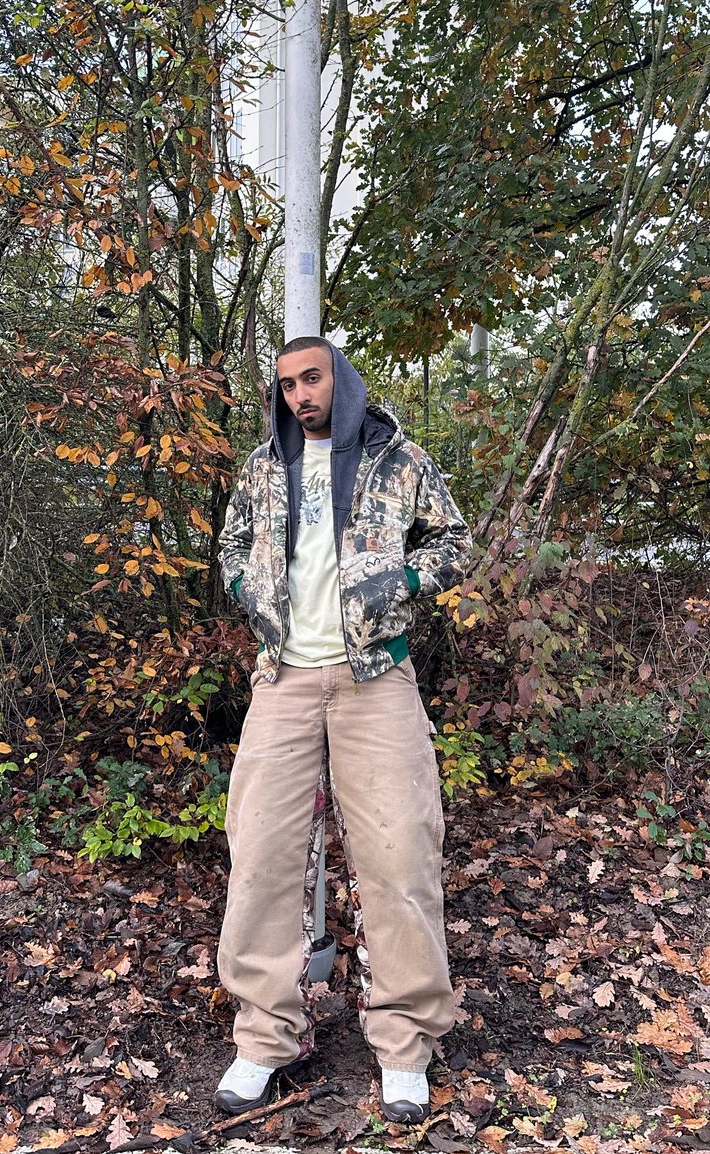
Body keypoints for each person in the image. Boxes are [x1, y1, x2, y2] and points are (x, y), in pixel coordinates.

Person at [214, 336, 471, 1122]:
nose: (300, 394)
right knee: (260, 853)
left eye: (312, 378)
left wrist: (405, 578)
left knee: (400, 854)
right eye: (288, 384)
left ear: (341, 380)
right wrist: (245, 589)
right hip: (284, 678)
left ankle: (404, 1043)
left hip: (376, 676)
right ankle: (266, 1037)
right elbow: (231, 545)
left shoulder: (399, 459)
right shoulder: (263, 468)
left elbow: (454, 541)